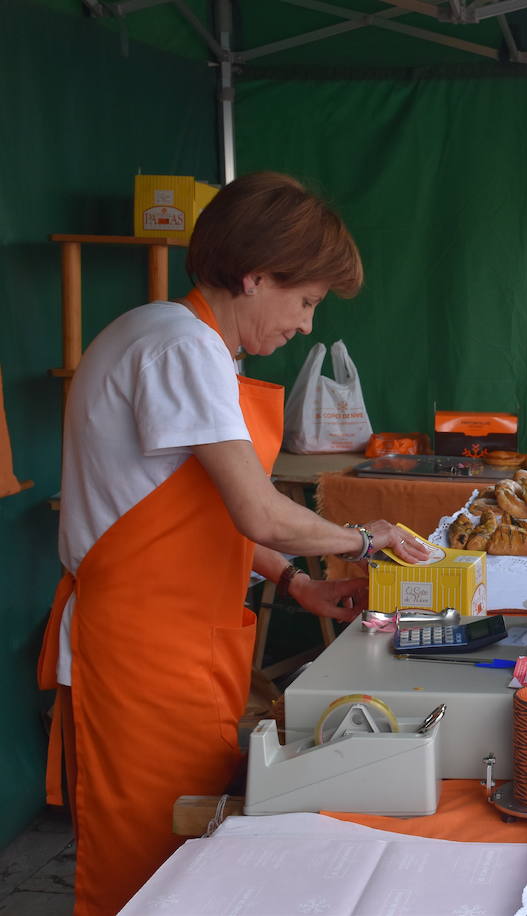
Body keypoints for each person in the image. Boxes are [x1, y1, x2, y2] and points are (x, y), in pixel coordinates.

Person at [36, 172, 432, 915]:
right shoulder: (178, 346)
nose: (306, 324)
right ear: (255, 275)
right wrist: (363, 539)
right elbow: (261, 512)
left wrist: (298, 585)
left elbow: (199, 516)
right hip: (141, 653)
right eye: (306, 300)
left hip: (185, 640)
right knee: (148, 865)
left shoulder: (194, 346)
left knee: (191, 855)